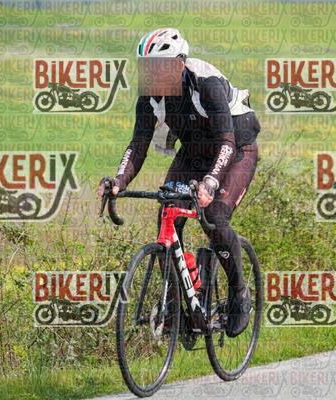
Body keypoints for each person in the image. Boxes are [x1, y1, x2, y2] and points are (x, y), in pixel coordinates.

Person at [98, 28, 260, 337]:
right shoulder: (150, 98)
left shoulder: (206, 83)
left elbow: (226, 142)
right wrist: (119, 180)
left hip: (236, 149)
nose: (151, 75)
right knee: (167, 213)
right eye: (146, 68)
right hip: (195, 153)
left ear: (178, 64)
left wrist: (210, 184)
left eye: (157, 67)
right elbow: (138, 145)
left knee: (214, 217)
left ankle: (239, 293)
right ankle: (177, 305)